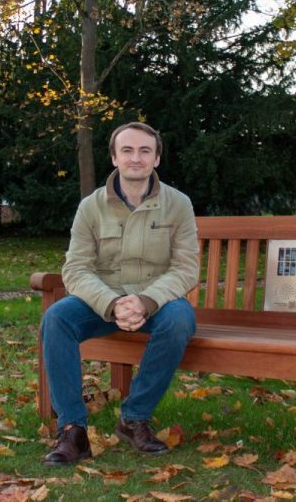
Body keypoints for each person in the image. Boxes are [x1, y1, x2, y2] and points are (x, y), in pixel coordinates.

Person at [40, 122, 199, 466]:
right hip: (102, 301)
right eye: (127, 150)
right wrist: (112, 304)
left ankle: (134, 418)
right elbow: (76, 268)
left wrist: (145, 301)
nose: (136, 158)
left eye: (145, 151)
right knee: (57, 317)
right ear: (114, 157)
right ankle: (72, 430)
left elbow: (186, 267)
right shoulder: (91, 207)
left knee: (180, 321)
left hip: (157, 301)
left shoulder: (178, 205)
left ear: (157, 159)